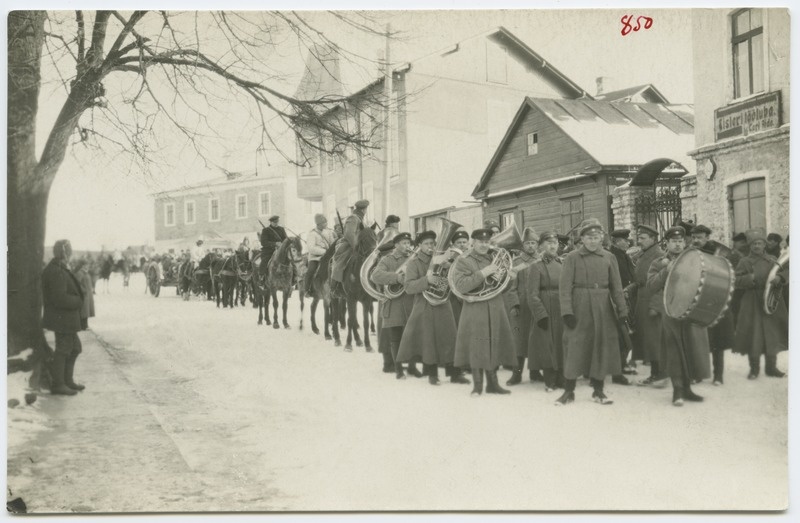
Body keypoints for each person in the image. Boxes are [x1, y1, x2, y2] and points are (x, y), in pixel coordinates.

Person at [556, 218, 628, 406]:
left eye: (596, 237)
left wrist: (622, 310)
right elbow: (564, 288)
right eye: (589, 237)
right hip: (579, 306)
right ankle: (568, 391)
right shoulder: (572, 258)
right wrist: (567, 312)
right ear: (582, 239)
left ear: (602, 238)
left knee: (601, 347)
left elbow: (617, 287)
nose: (593, 241)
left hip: (603, 306)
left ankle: (598, 390)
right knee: (574, 346)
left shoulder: (609, 257)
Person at [396, 230, 469, 386]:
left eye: (432, 243)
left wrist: (449, 268)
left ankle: (454, 374)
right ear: (420, 246)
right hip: (424, 305)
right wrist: (427, 280)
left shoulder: (443, 260)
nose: (430, 246)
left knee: (450, 337)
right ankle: (432, 374)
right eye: (426, 244)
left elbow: (451, 281)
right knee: (428, 340)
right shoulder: (414, 263)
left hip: (443, 303)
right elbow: (408, 287)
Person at [646, 226, 709, 406]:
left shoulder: (693, 260)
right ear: (667, 243)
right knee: (674, 350)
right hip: (670, 310)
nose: (677, 244)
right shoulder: (659, 262)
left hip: (690, 309)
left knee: (691, 348)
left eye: (680, 241)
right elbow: (650, 286)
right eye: (674, 241)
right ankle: (678, 390)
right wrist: (666, 271)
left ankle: (688, 389)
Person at [451, 228, 517, 396]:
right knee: (477, 345)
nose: (484, 245)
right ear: (473, 242)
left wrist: (509, 278)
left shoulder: (494, 257)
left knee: (493, 343)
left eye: (487, 242)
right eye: (480, 242)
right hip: (475, 307)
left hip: (495, 305)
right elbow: (461, 286)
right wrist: (483, 273)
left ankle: (493, 384)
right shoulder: (463, 260)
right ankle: (478, 385)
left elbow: (500, 286)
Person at [733, 228, 788, 379]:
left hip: (771, 301)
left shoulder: (772, 260)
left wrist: (780, 278)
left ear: (764, 245)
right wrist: (749, 279)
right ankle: (754, 369)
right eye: (753, 244)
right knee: (754, 335)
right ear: (749, 246)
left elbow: (788, 271)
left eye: (759, 243)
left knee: (772, 335)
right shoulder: (744, 262)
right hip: (752, 301)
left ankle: (772, 368)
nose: (757, 246)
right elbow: (736, 280)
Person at [690, 224, 736, 385]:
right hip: (698, 300)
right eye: (694, 237)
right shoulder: (690, 253)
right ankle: (698, 373)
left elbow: (730, 272)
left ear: (707, 238)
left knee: (718, 341)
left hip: (717, 299)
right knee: (698, 340)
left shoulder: (720, 252)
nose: (696, 240)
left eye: (700, 238)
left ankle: (718, 375)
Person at [370, 232, 420, 375]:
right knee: (395, 337)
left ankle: (412, 367)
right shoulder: (388, 259)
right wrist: (397, 277)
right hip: (394, 304)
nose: (407, 246)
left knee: (411, 336)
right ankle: (398, 368)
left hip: (411, 301)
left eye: (408, 243)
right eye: (403, 243)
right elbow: (375, 276)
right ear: (396, 245)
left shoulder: (414, 259)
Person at [41, 240, 86, 396]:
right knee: (64, 349)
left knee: (74, 348)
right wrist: (78, 301)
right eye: (69, 251)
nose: (70, 255)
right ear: (64, 253)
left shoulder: (58, 269)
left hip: (65, 319)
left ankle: (67, 381)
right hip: (62, 319)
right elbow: (60, 298)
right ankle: (59, 384)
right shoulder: (56, 271)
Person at [526, 231, 565, 392]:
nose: (552, 245)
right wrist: (540, 314)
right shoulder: (536, 266)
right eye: (548, 243)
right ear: (541, 246)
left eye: (555, 242)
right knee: (547, 344)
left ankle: (562, 377)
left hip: (561, 307)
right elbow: (532, 294)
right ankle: (550, 379)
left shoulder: (563, 263)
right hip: (546, 308)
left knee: (562, 343)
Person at [632, 224, 667, 387]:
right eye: (639, 238)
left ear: (653, 239)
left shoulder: (659, 256)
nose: (639, 241)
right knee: (648, 339)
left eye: (643, 238)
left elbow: (662, 284)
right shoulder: (644, 254)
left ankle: (660, 374)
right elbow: (640, 279)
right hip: (642, 299)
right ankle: (655, 373)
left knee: (655, 340)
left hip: (652, 302)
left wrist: (656, 305)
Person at [507, 227, 540, 385]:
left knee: (536, 340)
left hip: (538, 306)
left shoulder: (542, 260)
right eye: (528, 243)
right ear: (523, 245)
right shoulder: (516, 262)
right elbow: (511, 287)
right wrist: (514, 304)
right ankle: (516, 374)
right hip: (522, 306)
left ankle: (535, 372)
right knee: (519, 342)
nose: (531, 246)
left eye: (533, 243)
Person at [608, 229, 637, 382]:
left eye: (627, 240)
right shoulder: (613, 256)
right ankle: (619, 365)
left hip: (627, 297)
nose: (627, 242)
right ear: (615, 242)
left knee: (627, 332)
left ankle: (623, 362)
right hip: (618, 298)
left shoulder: (624, 255)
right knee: (621, 333)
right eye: (624, 240)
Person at [331, 200, 369, 295]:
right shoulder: (353, 218)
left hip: (362, 246)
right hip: (349, 245)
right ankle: (335, 286)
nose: (366, 211)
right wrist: (356, 246)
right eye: (366, 209)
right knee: (341, 262)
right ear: (364, 209)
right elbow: (349, 234)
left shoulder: (361, 219)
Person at [305, 214, 337, 295]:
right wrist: (325, 252)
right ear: (318, 224)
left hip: (328, 256)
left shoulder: (328, 232)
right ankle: (307, 289)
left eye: (325, 222)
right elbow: (311, 248)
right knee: (311, 271)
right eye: (324, 223)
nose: (326, 224)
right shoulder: (312, 234)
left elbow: (332, 243)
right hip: (315, 257)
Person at [448, 230, 470, 326]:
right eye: (459, 242)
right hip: (454, 296)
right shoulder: (449, 258)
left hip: (470, 292)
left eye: (464, 242)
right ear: (453, 245)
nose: (462, 245)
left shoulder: (472, 256)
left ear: (468, 243)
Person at [73, 259, 96, 330]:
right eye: (86, 265)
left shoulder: (86, 273)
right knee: (84, 311)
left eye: (88, 265)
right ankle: (83, 326)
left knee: (86, 311)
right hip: (83, 295)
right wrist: (83, 290)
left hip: (88, 295)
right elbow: (76, 283)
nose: (87, 266)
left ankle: (85, 325)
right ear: (82, 266)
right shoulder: (80, 273)